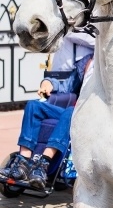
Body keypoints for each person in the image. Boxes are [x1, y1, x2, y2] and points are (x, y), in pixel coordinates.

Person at [0, 32, 94, 190]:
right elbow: (67, 85)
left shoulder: (105, 70)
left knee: (71, 111)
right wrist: (49, 83)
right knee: (33, 106)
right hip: (73, 111)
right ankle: (23, 162)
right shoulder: (83, 63)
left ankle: (44, 163)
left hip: (90, 114)